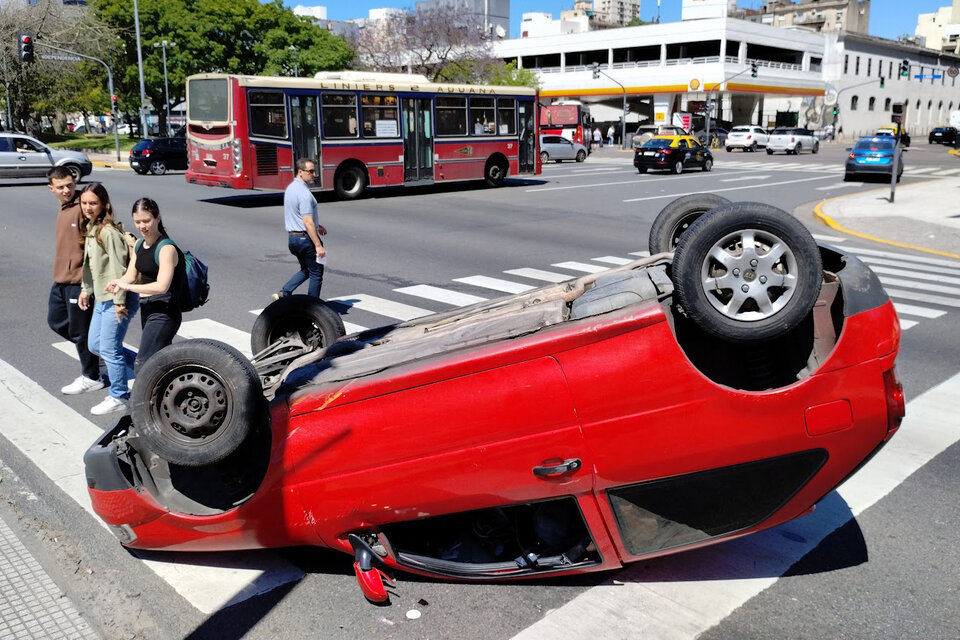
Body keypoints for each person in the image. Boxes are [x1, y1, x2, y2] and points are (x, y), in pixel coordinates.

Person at [77, 183, 139, 415]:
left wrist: (119, 302)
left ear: (104, 204)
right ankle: (141, 364)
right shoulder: (92, 228)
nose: (88, 207)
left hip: (117, 300)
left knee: (110, 348)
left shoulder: (108, 232)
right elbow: (91, 266)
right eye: (84, 203)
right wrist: (86, 289)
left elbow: (117, 268)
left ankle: (119, 395)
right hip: (103, 298)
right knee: (95, 345)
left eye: (93, 203)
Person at [46, 166, 106, 395]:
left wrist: (87, 284)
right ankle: (95, 354)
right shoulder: (63, 207)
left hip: (78, 281)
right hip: (60, 278)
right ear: (51, 189)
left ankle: (92, 376)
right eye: (60, 187)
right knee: (56, 321)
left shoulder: (82, 205)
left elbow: (100, 227)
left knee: (80, 331)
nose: (67, 190)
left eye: (70, 185)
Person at [106, 198, 182, 375]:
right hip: (148, 308)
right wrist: (118, 282)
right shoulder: (139, 244)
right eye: (137, 222)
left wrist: (128, 288)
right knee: (161, 362)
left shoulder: (166, 248)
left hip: (165, 312)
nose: (142, 226)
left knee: (144, 364)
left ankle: (141, 401)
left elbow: (161, 286)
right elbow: (131, 275)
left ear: (157, 218)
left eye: (146, 221)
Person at [275, 158, 327, 299]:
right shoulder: (304, 194)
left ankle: (284, 293)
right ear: (300, 172)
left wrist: (318, 226)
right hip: (305, 239)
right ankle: (313, 306)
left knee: (306, 270)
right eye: (310, 171)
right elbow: (307, 221)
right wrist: (318, 245)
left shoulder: (291, 188)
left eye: (314, 171)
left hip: (293, 238)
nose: (314, 174)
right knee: (316, 273)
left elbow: (298, 214)